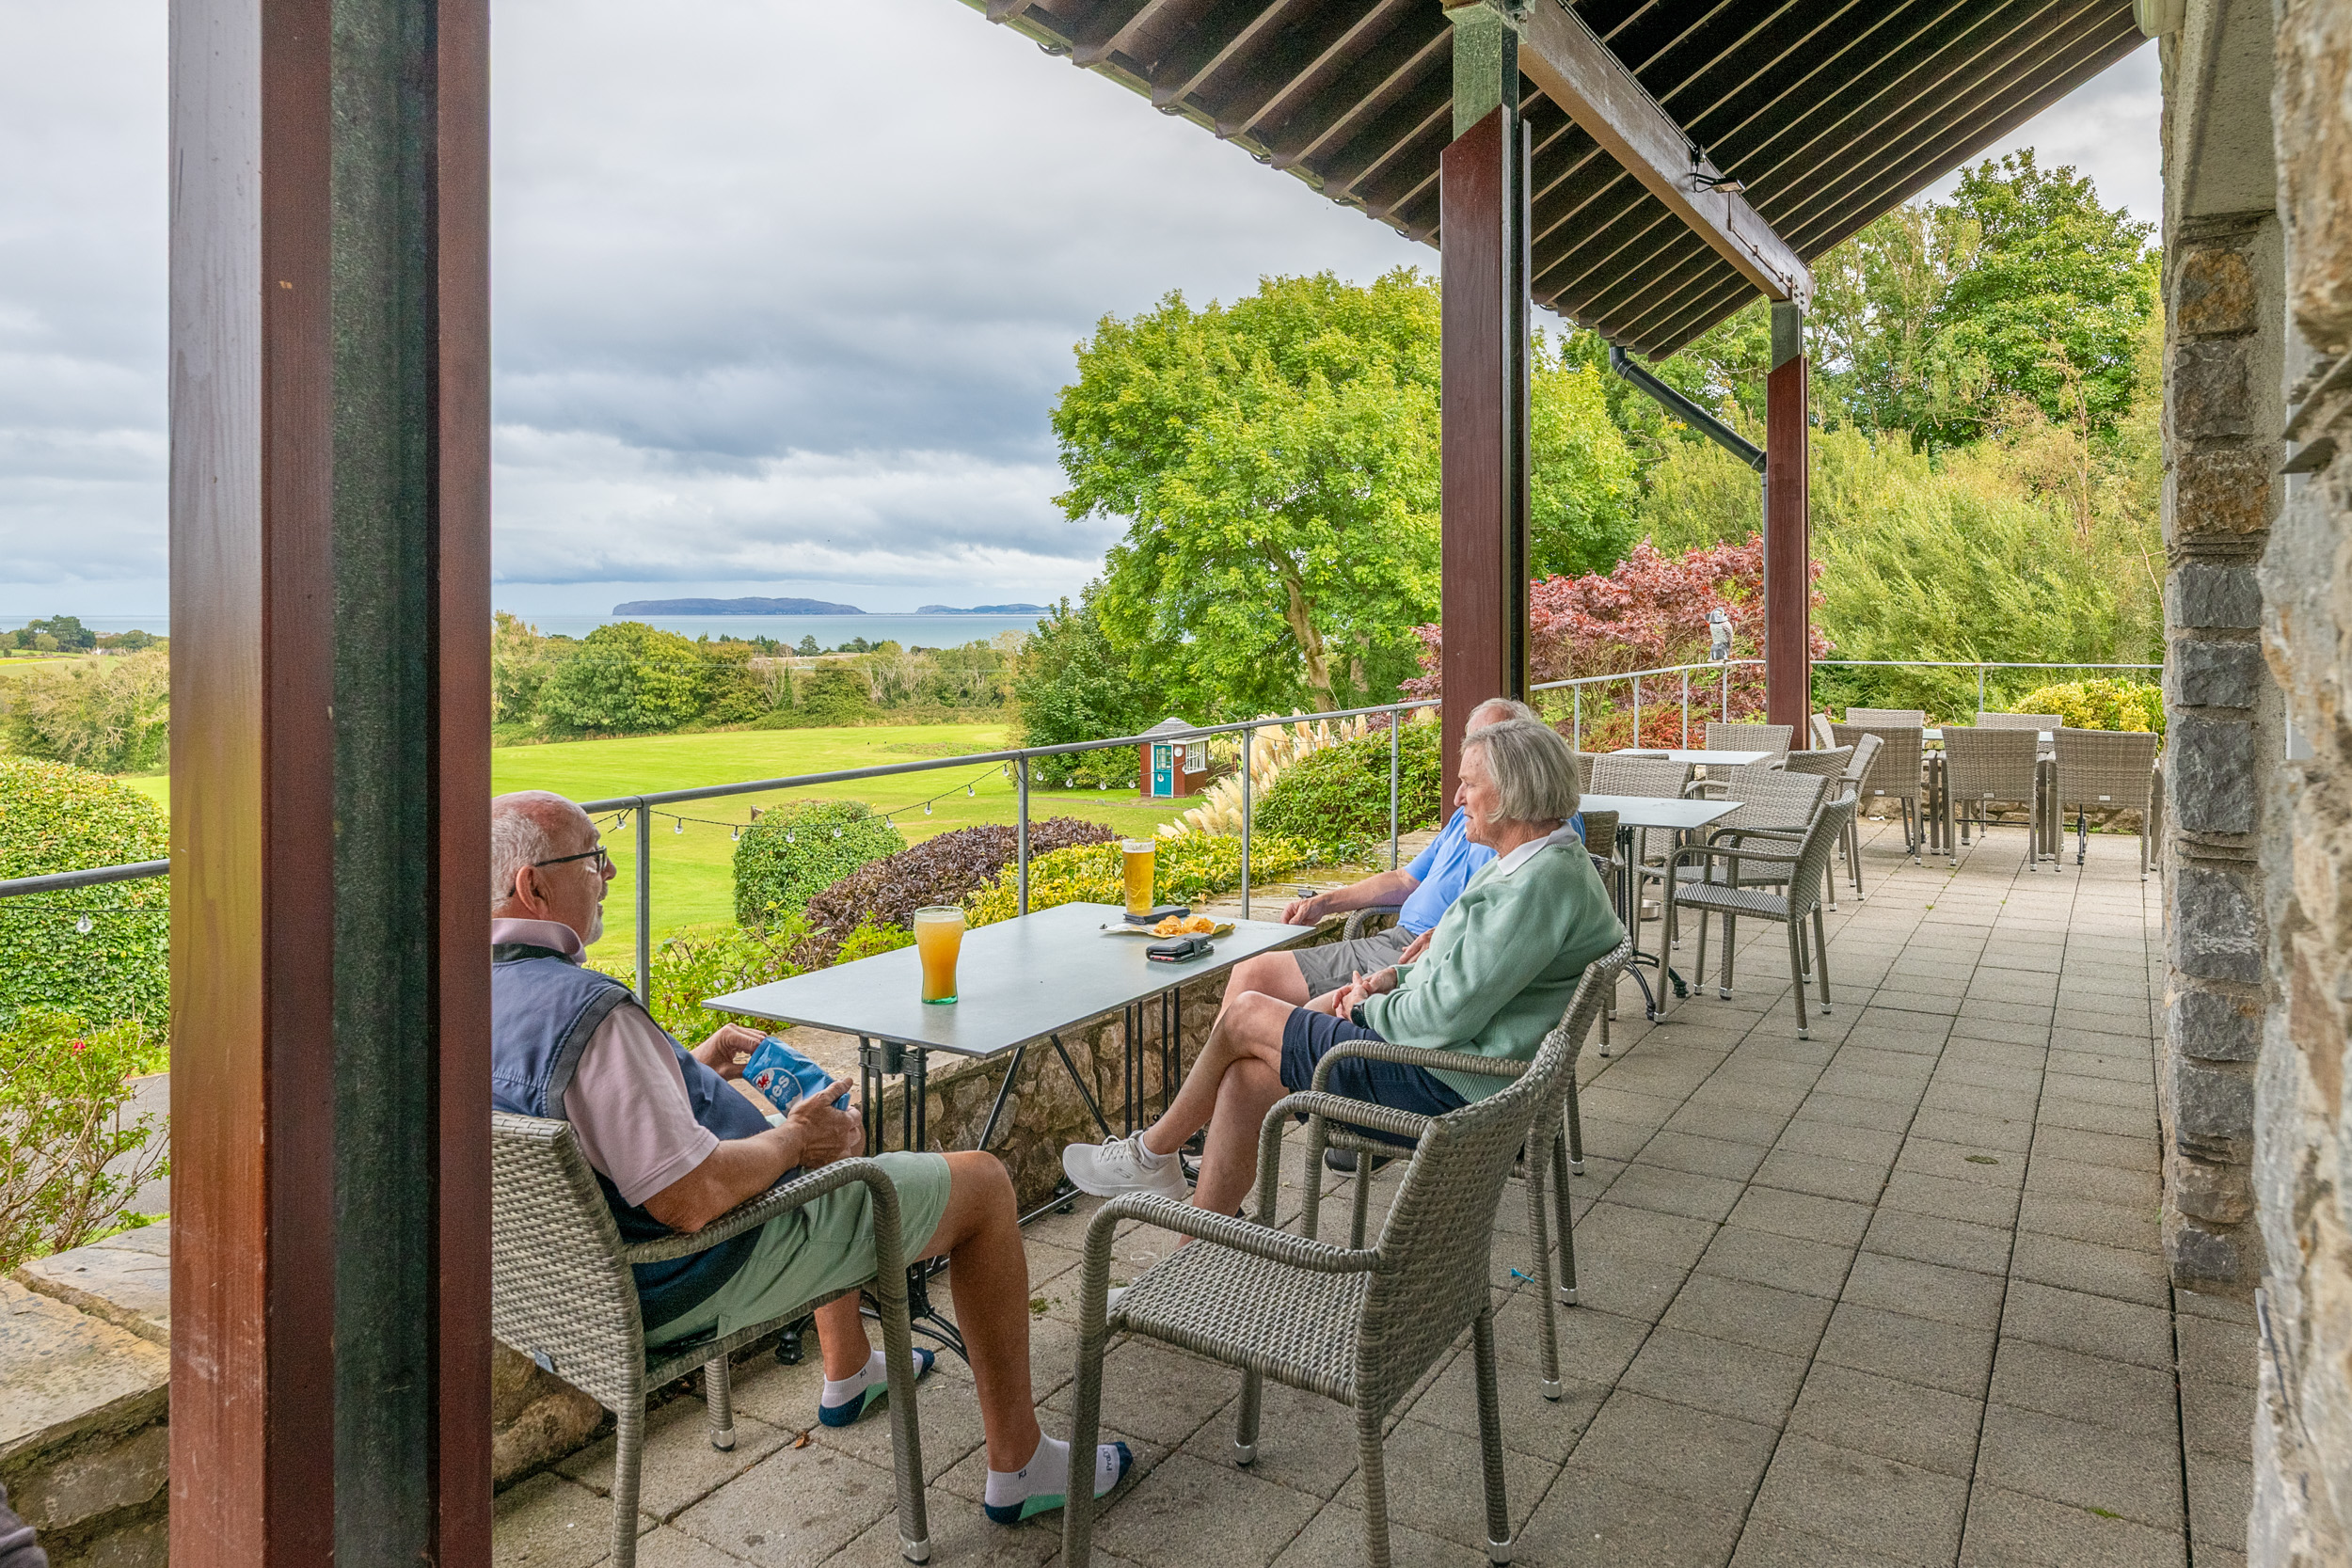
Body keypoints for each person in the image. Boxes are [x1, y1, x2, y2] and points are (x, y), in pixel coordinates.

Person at [488, 791, 1127, 1526]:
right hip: (695, 1268)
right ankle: (1021, 1462)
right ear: (533, 886)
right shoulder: (591, 1013)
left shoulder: (467, 999)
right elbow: (691, 1198)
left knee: (814, 1142)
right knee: (980, 1183)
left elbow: (598, 1120)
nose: (607, 873)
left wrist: (687, 1068)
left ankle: (849, 1370)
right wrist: (795, 1140)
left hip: (581, 1296)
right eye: (592, 858)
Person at [1061, 719, 1624, 1219]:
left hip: (1452, 1088)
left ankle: (1151, 1154)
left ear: (1511, 793)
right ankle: (1191, 1264)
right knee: (1247, 1078)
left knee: (1247, 1013)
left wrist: (1367, 1006)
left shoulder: (1535, 888)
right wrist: (1393, 978)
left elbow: (1444, 1015)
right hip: (1461, 1068)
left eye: (1469, 784)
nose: (1457, 798)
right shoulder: (1539, 866)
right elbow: (1466, 975)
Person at [1209, 696, 1542, 1024]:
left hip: (1431, 958)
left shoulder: (1536, 833)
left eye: (1492, 744)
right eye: (1472, 741)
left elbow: (1509, 924)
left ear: (1522, 754)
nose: (1460, 793)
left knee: (1294, 1021)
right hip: (1392, 940)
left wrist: (1445, 936)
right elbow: (1405, 880)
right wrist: (1324, 903)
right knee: (1251, 972)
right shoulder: (1465, 818)